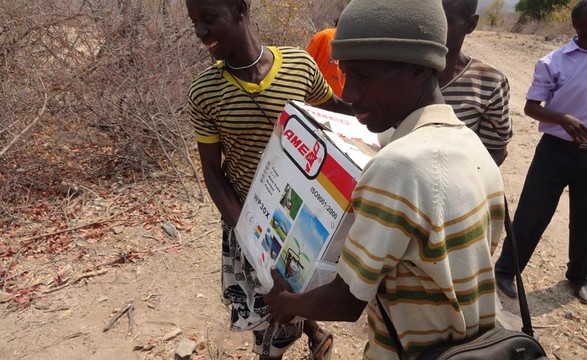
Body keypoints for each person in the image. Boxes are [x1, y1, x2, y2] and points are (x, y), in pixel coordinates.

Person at [264, 0, 505, 359]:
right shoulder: (472, 145)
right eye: (345, 74)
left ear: (419, 70)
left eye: (364, 76)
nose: (348, 94)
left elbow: (346, 302)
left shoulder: (397, 167)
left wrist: (286, 304)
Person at [185, 0, 350, 358]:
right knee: (267, 314)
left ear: (241, 9)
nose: (200, 32)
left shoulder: (299, 66)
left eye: (208, 19)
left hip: (300, 223)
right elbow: (213, 171)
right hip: (249, 223)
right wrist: (251, 242)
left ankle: (312, 333)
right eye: (195, 22)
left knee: (289, 297)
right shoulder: (205, 92)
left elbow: (336, 111)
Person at [494, 0, 587, 304]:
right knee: (532, 214)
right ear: (577, 24)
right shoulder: (553, 62)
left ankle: (579, 276)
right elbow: (530, 107)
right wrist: (562, 118)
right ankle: (506, 271)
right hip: (555, 151)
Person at [439, 0, 512, 166]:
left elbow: (495, 151)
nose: (434, 28)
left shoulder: (489, 82)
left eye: (446, 20)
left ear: (471, 24)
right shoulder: (404, 72)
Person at [306, 19, 345, 97]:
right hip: (314, 97)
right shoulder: (324, 36)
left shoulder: (355, 46)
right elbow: (305, 65)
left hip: (339, 102)